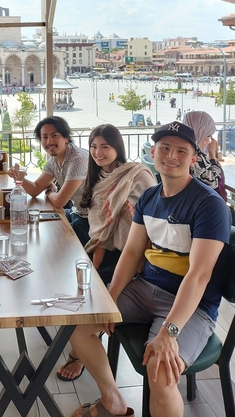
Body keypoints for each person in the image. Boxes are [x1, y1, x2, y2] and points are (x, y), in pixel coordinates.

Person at [68, 122, 231, 417]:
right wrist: (111, 296)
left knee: (160, 371)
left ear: (193, 159)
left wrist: (169, 333)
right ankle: (113, 400)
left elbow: (199, 275)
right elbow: (131, 252)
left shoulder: (209, 205)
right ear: (153, 152)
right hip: (144, 289)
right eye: (164, 148)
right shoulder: (150, 197)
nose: (171, 155)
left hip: (192, 306)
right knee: (80, 328)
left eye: (181, 151)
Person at [57, 125, 155, 382]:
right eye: (93, 146)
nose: (98, 152)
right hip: (104, 250)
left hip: (134, 256)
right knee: (72, 284)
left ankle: (77, 355)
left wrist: (143, 257)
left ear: (117, 147)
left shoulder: (137, 174)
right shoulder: (97, 177)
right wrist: (95, 263)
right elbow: (99, 228)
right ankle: (80, 343)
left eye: (105, 147)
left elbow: (153, 221)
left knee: (88, 298)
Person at [8, 116, 89, 245]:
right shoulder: (54, 161)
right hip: (76, 212)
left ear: (66, 138)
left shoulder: (78, 159)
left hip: (91, 219)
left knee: (59, 239)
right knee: (45, 223)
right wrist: (19, 178)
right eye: (45, 137)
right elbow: (35, 190)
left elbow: (59, 202)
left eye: (54, 135)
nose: (49, 141)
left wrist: (50, 191)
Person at [181, 111, 223, 195]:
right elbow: (213, 182)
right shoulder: (193, 152)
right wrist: (212, 156)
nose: (209, 140)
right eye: (208, 135)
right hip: (197, 203)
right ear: (200, 132)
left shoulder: (183, 146)